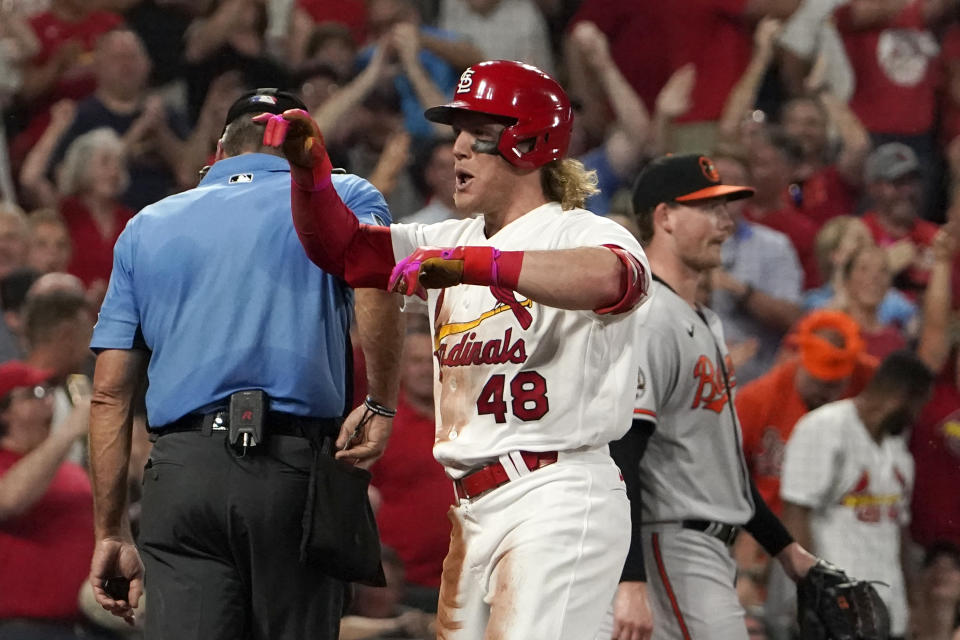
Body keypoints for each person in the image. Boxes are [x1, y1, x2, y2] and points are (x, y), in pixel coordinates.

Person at [261, 59, 651, 639]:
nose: (458, 150)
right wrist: (310, 172)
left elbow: (614, 278)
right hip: (471, 505)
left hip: (558, 492)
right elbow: (344, 252)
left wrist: (479, 266)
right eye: (456, 133)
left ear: (530, 142)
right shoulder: (449, 237)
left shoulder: (580, 231)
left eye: (479, 134)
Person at [86, 88, 404, 640]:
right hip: (291, 471)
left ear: (219, 151)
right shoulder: (344, 194)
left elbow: (109, 394)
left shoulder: (145, 225)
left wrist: (110, 529)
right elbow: (376, 289)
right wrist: (381, 402)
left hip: (183, 476)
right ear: (308, 147)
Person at [611, 153, 821, 640]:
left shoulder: (703, 319)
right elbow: (623, 455)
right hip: (668, 544)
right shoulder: (649, 317)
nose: (726, 223)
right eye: (709, 209)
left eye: (726, 210)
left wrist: (787, 551)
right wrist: (631, 579)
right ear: (664, 218)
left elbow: (721, 466)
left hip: (701, 546)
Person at [781, 350, 936, 640]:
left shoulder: (897, 450)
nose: (918, 416)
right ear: (902, 396)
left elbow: (898, 531)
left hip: (888, 609)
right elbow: (795, 514)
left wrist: (914, 602)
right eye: (920, 405)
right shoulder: (825, 428)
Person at [0, 360, 93, 638]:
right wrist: (69, 432)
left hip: (85, 625)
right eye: (35, 394)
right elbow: (8, 500)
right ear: (4, 413)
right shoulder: (8, 465)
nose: (50, 404)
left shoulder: (68, 468)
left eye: (49, 392)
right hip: (22, 627)